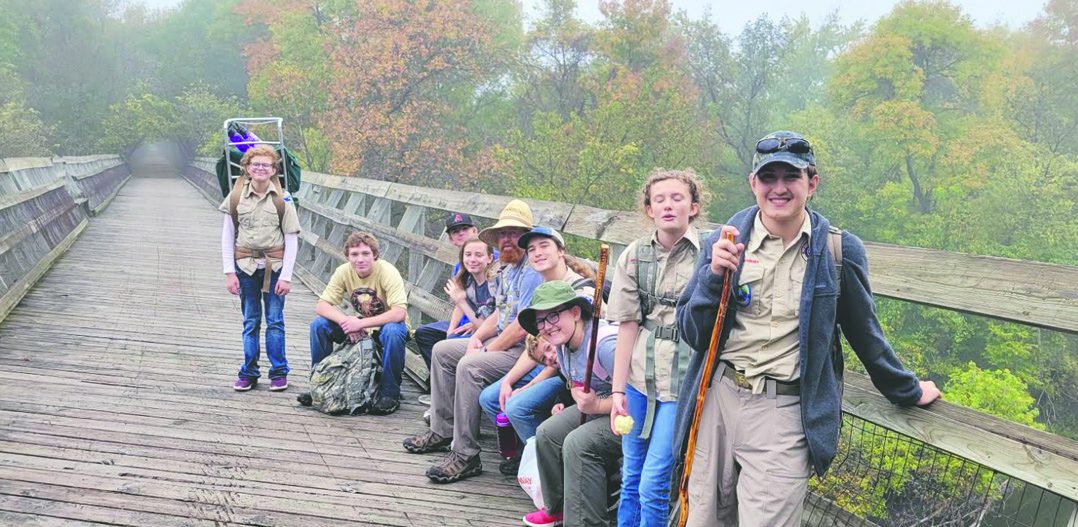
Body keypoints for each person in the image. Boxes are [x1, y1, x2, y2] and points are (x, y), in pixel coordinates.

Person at [672, 131, 941, 526]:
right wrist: (714, 277)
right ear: (753, 184)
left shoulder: (837, 252)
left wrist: (908, 389)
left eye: (791, 177)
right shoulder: (723, 242)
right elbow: (692, 334)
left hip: (784, 412)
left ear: (811, 184)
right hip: (718, 398)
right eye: (768, 177)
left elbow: (865, 333)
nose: (778, 188)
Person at [402, 200, 544, 484]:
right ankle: (443, 430)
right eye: (502, 234)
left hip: (526, 350)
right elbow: (499, 314)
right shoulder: (508, 268)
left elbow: (520, 327)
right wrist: (477, 337)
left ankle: (466, 455)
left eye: (514, 233)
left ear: (526, 237)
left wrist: (488, 348)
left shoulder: (531, 271)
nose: (506, 239)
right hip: (502, 340)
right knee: (443, 349)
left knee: (470, 366)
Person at [607, 169, 706, 526]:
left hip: (681, 384)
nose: (668, 205)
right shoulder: (635, 256)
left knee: (653, 482)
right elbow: (628, 324)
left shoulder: (708, 255)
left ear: (693, 207)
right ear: (649, 209)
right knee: (631, 475)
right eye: (659, 199)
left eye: (677, 198)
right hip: (638, 381)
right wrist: (617, 390)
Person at [478, 226, 597, 475]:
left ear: (561, 251)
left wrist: (529, 387)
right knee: (491, 398)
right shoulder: (542, 291)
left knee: (518, 406)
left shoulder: (580, 289)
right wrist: (508, 381)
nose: (537, 253)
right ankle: (525, 455)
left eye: (544, 246)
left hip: (575, 373)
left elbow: (564, 355)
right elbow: (535, 345)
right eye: (531, 249)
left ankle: (550, 470)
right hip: (553, 363)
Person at [517, 281, 621, 527]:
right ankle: (559, 508)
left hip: (633, 415)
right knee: (548, 432)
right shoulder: (563, 346)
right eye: (541, 321)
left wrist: (596, 406)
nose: (547, 326)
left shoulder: (604, 345)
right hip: (602, 407)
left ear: (575, 313)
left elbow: (641, 398)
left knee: (579, 443)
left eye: (553, 316)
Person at [220, 145, 301, 392]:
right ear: (246, 168)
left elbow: (291, 239)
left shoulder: (283, 199)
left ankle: (278, 372)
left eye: (266, 165)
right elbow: (227, 235)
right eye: (255, 165)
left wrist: (286, 276)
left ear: (274, 169)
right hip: (245, 267)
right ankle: (249, 372)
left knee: (275, 321)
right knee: (251, 321)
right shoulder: (235, 198)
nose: (260, 169)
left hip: (274, 267)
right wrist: (229, 272)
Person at [306, 231, 410, 415]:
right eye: (354, 254)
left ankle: (390, 393)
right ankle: (320, 383)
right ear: (347, 256)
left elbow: (399, 312)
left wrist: (362, 325)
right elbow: (322, 305)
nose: (360, 259)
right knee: (319, 325)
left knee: (393, 332)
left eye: (365, 254)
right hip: (359, 323)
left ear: (375, 255)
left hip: (387, 325)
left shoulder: (388, 271)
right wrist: (347, 322)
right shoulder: (343, 271)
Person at [413, 212, 484, 367]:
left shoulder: (489, 259)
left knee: (448, 345)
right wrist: (450, 330)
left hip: (482, 324)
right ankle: (439, 381)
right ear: (451, 239)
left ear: (475, 231)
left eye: (465, 228)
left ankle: (450, 384)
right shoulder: (460, 266)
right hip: (463, 322)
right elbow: (459, 302)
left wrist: (477, 324)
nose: (461, 233)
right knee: (424, 333)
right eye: (455, 231)